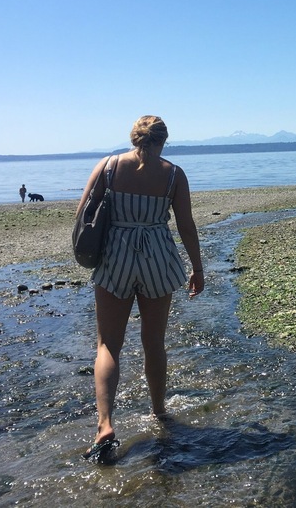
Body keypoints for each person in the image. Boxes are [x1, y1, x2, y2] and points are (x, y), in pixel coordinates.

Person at [76, 115, 204, 463]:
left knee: (108, 345)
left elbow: (83, 212)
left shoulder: (108, 166)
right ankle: (159, 411)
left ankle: (104, 424)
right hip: (157, 258)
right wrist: (197, 267)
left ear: (134, 138)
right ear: (163, 140)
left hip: (114, 257)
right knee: (154, 342)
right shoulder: (174, 175)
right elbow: (186, 225)